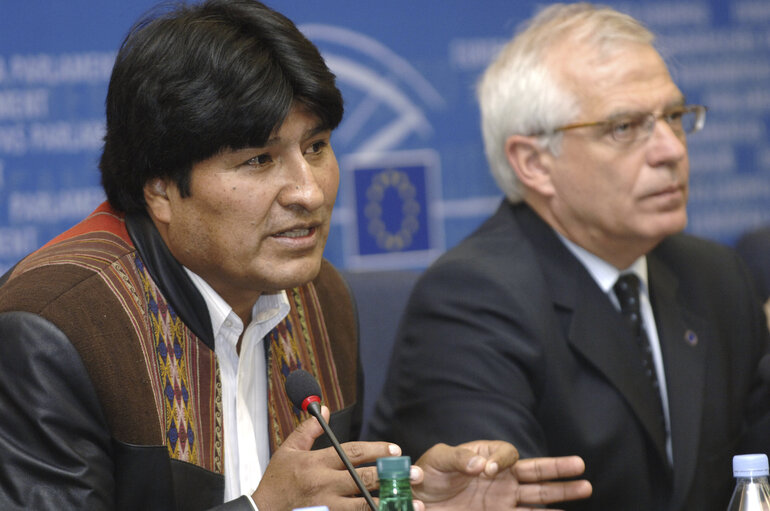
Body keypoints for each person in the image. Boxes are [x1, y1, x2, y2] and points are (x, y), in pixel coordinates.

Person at [0, 1, 593, 510]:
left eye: (316, 147)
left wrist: (404, 500)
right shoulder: (54, 332)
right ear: (160, 189)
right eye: (259, 160)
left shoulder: (321, 299)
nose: (308, 191)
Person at [369, 3, 770, 510]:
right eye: (625, 127)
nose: (670, 149)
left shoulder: (716, 276)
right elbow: (502, 500)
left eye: (673, 116)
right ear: (534, 162)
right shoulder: (470, 302)